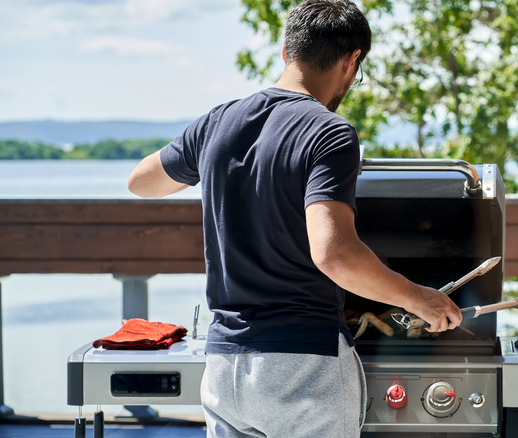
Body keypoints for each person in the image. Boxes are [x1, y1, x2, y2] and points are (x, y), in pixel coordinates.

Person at [127, 1, 462, 437]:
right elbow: (335, 255)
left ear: (286, 50)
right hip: (301, 366)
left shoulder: (216, 122)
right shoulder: (328, 132)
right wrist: (419, 299)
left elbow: (141, 182)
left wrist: (208, 159)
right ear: (352, 61)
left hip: (225, 365)